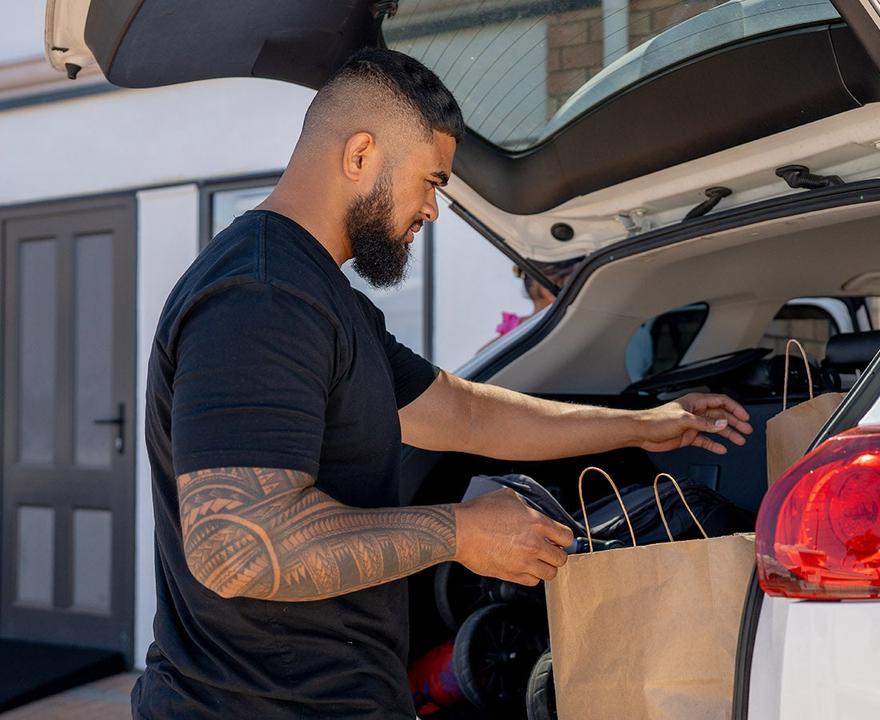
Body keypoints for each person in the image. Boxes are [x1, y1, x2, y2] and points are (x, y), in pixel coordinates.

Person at [132, 48, 752, 719]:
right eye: (430, 181)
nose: (431, 209)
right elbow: (236, 548)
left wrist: (646, 424)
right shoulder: (261, 298)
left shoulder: (321, 298)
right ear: (360, 155)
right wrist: (463, 533)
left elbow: (468, 414)